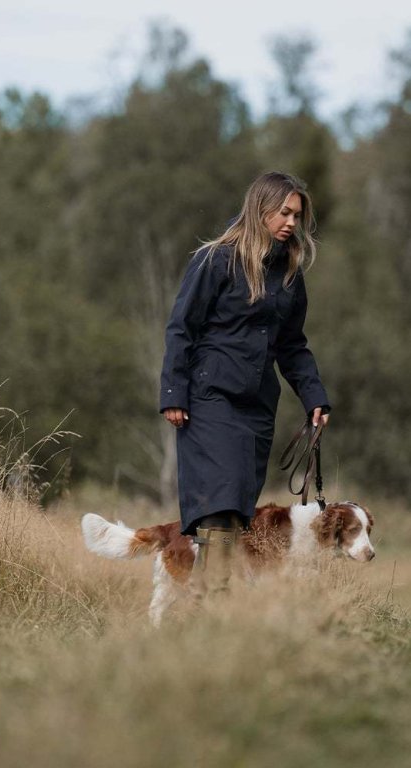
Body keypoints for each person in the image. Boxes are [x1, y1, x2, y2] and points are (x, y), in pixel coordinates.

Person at [158, 171, 331, 599]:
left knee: (237, 508)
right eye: (284, 212)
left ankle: (205, 609)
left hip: (256, 406)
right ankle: (212, 603)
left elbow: (292, 345)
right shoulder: (216, 259)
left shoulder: (289, 274)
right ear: (261, 208)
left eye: (297, 215)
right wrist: (174, 392)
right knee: (219, 501)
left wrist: (314, 397)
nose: (291, 222)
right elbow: (182, 327)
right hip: (208, 398)